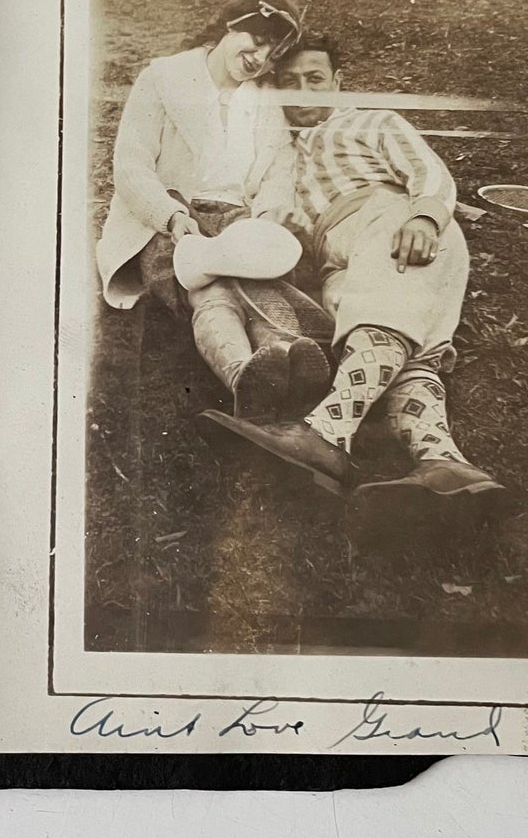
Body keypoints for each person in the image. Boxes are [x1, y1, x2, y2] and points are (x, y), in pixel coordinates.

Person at [206, 33, 504, 538]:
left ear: (338, 84)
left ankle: (325, 435)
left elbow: (427, 172)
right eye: (290, 82)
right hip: (333, 260)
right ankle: (445, 465)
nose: (303, 91)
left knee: (385, 315)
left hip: (389, 216)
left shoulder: (371, 122)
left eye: (315, 79)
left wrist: (425, 219)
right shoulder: (277, 153)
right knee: (397, 344)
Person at [95, 0, 333, 422]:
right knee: (210, 283)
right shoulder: (163, 78)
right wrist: (172, 217)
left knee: (255, 277)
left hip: (237, 218)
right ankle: (246, 377)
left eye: (271, 52)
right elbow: (131, 165)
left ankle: (286, 360)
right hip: (171, 215)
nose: (259, 58)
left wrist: (264, 222)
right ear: (230, 26)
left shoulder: (262, 99)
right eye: (255, 40)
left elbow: (278, 169)